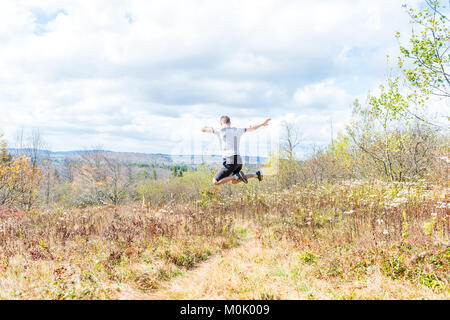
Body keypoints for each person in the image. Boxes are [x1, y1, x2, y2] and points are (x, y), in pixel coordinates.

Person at [201, 115, 271, 185]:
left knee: (215, 181)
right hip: (238, 160)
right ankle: (256, 175)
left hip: (230, 160)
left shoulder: (220, 130)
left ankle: (236, 175)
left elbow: (203, 129)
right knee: (234, 181)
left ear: (221, 123)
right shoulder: (237, 130)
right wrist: (261, 124)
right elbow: (251, 128)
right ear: (230, 122)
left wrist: (206, 127)